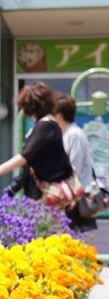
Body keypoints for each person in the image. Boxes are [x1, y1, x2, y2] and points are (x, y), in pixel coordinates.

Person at [0, 82, 74, 199]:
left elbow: (25, 156)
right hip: (51, 191)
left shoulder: (45, 126)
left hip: (49, 193)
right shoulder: (51, 125)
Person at [53, 92, 97, 231]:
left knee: (74, 241)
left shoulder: (74, 135)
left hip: (76, 199)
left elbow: (73, 168)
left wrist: (69, 196)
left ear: (59, 115)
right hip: (70, 197)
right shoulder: (66, 134)